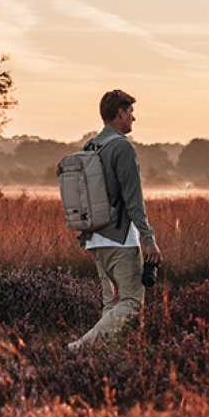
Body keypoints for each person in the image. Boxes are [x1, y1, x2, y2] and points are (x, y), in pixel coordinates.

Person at [69, 89, 162, 349]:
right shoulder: (122, 147)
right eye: (130, 112)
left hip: (94, 237)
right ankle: (80, 348)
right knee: (132, 302)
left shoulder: (90, 146)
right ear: (119, 112)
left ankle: (106, 357)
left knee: (111, 304)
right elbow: (134, 200)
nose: (134, 118)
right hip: (120, 239)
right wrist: (148, 238)